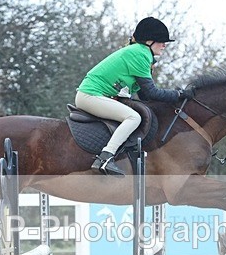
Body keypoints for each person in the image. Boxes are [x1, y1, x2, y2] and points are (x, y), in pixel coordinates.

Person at [75, 17, 191, 177]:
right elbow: (151, 93)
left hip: (98, 96)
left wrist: (174, 97)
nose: (164, 45)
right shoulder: (140, 54)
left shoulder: (141, 54)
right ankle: (105, 157)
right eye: (161, 41)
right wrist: (179, 94)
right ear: (149, 41)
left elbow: (143, 95)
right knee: (133, 117)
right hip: (90, 96)